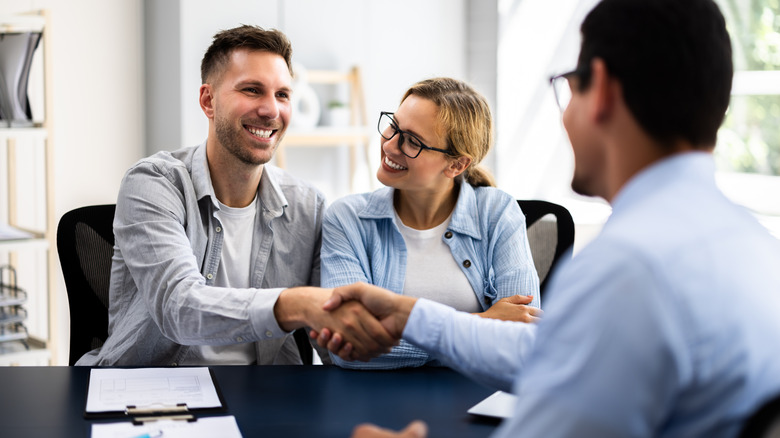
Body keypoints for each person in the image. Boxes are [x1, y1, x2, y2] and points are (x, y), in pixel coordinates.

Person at [316, 0, 780, 436]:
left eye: (567, 85)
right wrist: (412, 317)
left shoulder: (626, 271)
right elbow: (546, 352)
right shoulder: (755, 248)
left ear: (600, 90)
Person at [76, 25, 396, 366]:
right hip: (155, 394)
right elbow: (179, 308)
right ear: (208, 101)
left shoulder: (308, 206)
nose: (271, 110)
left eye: (283, 95)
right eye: (252, 90)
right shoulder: (153, 184)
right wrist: (297, 304)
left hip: (266, 397)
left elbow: (334, 344)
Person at [321, 77, 541, 369]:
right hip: (375, 400)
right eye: (393, 126)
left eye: (412, 141)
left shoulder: (498, 213)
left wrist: (401, 337)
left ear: (456, 165)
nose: (390, 144)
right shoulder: (347, 219)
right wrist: (484, 323)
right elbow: (347, 346)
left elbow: (522, 341)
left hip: (474, 402)